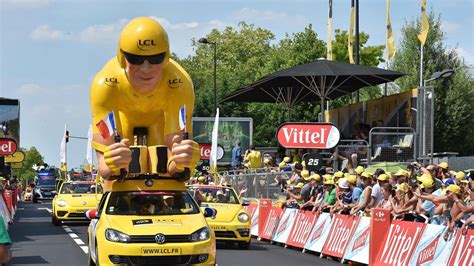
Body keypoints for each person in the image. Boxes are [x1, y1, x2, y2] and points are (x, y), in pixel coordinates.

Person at [90, 17, 199, 189]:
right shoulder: (104, 85)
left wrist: (181, 162)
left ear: (166, 57)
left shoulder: (180, 83)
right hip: (122, 118)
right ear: (121, 57)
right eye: (135, 59)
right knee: (117, 174)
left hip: (159, 119)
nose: (146, 68)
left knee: (166, 176)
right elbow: (104, 167)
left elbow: (177, 164)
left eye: (155, 59)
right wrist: (112, 164)